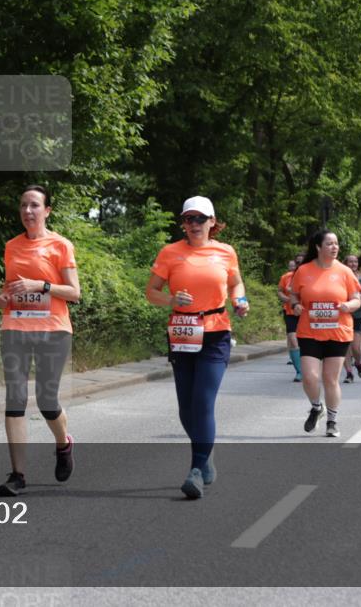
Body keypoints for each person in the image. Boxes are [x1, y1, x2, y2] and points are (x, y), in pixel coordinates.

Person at [146, 196, 248, 499]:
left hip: (216, 332)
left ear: (212, 222)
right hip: (182, 332)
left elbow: (236, 284)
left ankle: (196, 470)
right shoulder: (170, 252)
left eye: (200, 219)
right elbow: (151, 292)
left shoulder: (225, 252)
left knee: (203, 403)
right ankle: (206, 452)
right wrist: (171, 300)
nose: (194, 224)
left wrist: (239, 300)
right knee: (186, 408)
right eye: (189, 219)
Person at [0, 186, 80, 497]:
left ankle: (63, 443)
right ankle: (17, 475)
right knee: (15, 399)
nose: (28, 211)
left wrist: (41, 285)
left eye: (34, 205)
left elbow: (74, 292)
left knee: (46, 400)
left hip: (53, 330)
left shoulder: (60, 245)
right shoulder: (11, 246)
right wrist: (3, 298)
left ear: (47, 211)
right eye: (23, 205)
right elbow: (10, 287)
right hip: (15, 327)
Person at [290, 232, 361, 439]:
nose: (334, 247)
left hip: (337, 331)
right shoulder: (304, 270)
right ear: (318, 247)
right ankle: (316, 407)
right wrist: (295, 305)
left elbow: (357, 298)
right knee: (310, 377)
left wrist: (348, 305)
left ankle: (332, 421)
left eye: (336, 243)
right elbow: (294, 294)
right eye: (329, 243)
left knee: (330, 379)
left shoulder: (344, 271)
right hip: (309, 331)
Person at [344, 254, 361, 382]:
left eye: (355, 262)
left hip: (359, 317)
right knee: (345, 347)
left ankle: (358, 363)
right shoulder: (341, 279)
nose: (353, 264)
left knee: (355, 347)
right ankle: (349, 373)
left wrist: (357, 301)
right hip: (344, 317)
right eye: (350, 262)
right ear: (345, 264)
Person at [277, 259, 301, 382]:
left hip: (306, 314)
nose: (299, 265)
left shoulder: (310, 276)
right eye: (298, 263)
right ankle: (299, 371)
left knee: (304, 343)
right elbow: (280, 291)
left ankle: (309, 367)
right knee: (293, 340)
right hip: (290, 312)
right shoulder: (286, 277)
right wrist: (287, 299)